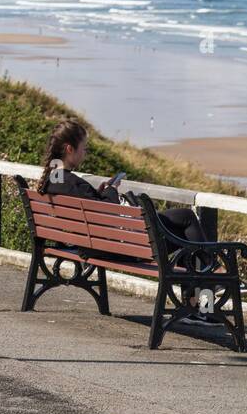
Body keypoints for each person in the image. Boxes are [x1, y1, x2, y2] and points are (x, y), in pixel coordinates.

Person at [36, 119, 216, 322]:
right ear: (69, 148)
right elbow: (108, 214)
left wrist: (100, 194)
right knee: (187, 223)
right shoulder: (70, 182)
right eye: (83, 149)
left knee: (184, 224)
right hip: (121, 249)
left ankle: (200, 294)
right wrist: (112, 190)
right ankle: (209, 282)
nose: (85, 153)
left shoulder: (54, 179)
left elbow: (88, 205)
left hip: (96, 245)